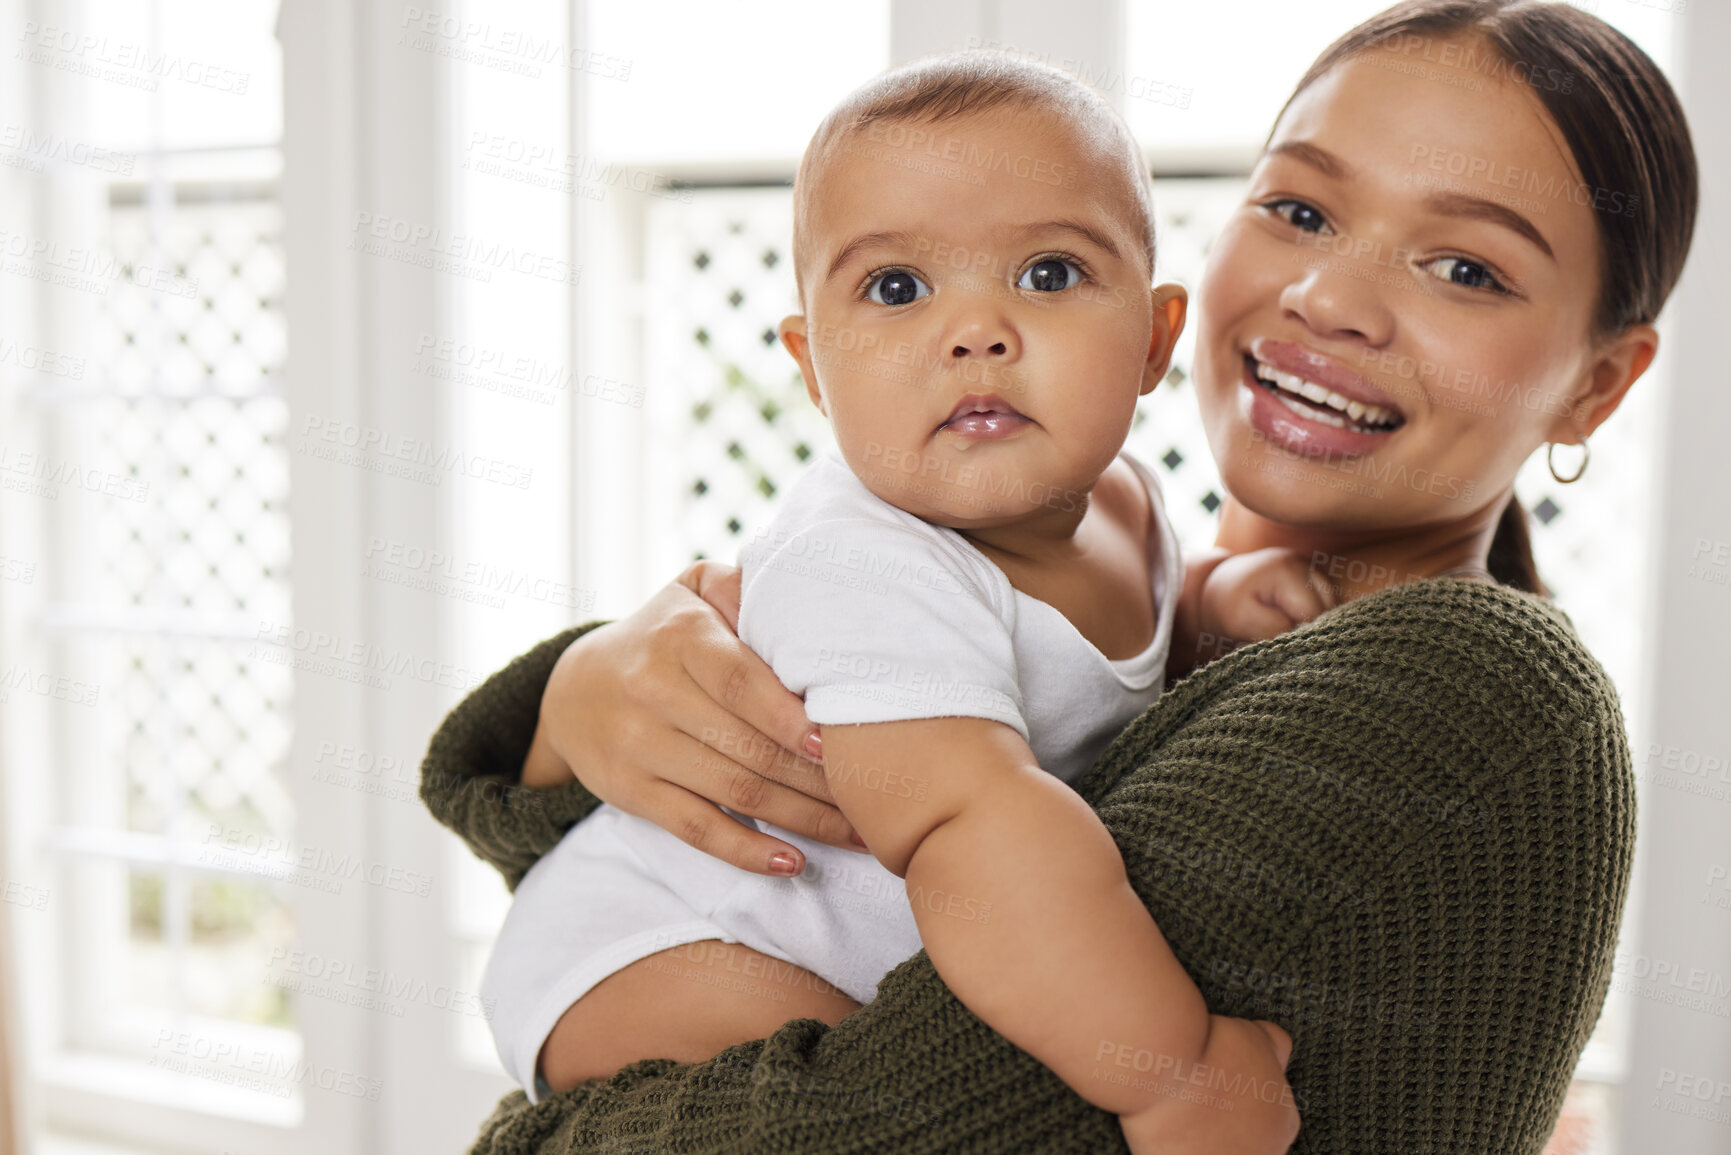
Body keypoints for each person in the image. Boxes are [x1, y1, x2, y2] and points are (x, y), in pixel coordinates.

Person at [421, 1, 1698, 1151]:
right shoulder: (1079, 542)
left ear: (1597, 383)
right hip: (660, 943)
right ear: (811, 363)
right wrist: (570, 706)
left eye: (1465, 267)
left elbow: (868, 1124)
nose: (1330, 298)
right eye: (1301, 211)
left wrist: (1179, 1074)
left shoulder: (1465, 690)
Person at [480, 51, 1331, 1155]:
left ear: (1155, 339)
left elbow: (1115, 637)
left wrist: (1222, 592)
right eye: (896, 288)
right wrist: (1174, 1074)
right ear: (812, 367)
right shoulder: (866, 565)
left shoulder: (1128, 503)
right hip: (658, 937)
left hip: (812, 930)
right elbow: (973, 830)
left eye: (1049, 273)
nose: (975, 330)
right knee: (886, 1110)